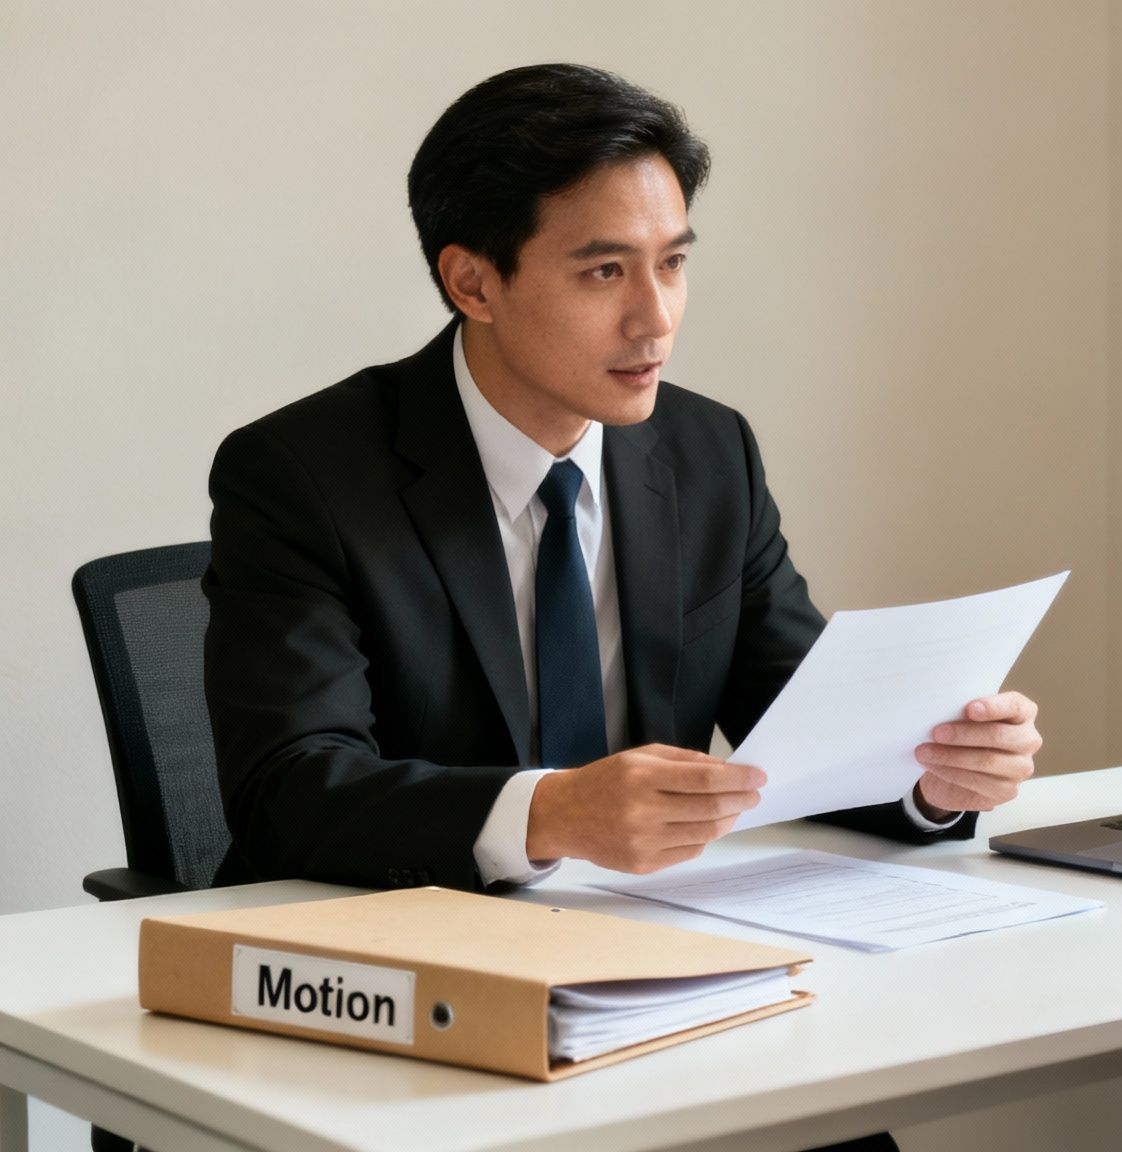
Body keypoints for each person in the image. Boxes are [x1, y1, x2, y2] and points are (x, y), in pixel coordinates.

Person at [203, 63, 1043, 898]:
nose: (657, 318)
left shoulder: (711, 452)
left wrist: (934, 780)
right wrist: (550, 813)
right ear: (474, 282)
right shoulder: (301, 474)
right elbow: (288, 791)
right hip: (385, 949)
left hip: (656, 940)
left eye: (671, 263)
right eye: (605, 272)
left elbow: (806, 741)